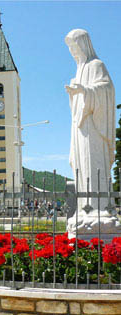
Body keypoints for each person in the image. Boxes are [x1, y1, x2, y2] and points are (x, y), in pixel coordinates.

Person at [65, 29, 115, 214]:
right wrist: (74, 94)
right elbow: (77, 102)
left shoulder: (96, 65)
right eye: (70, 47)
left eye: (74, 46)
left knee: (93, 165)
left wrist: (85, 90)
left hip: (93, 126)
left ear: (84, 44)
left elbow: (107, 89)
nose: (72, 50)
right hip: (79, 127)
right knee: (80, 166)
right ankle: (84, 209)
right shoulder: (79, 70)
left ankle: (99, 209)